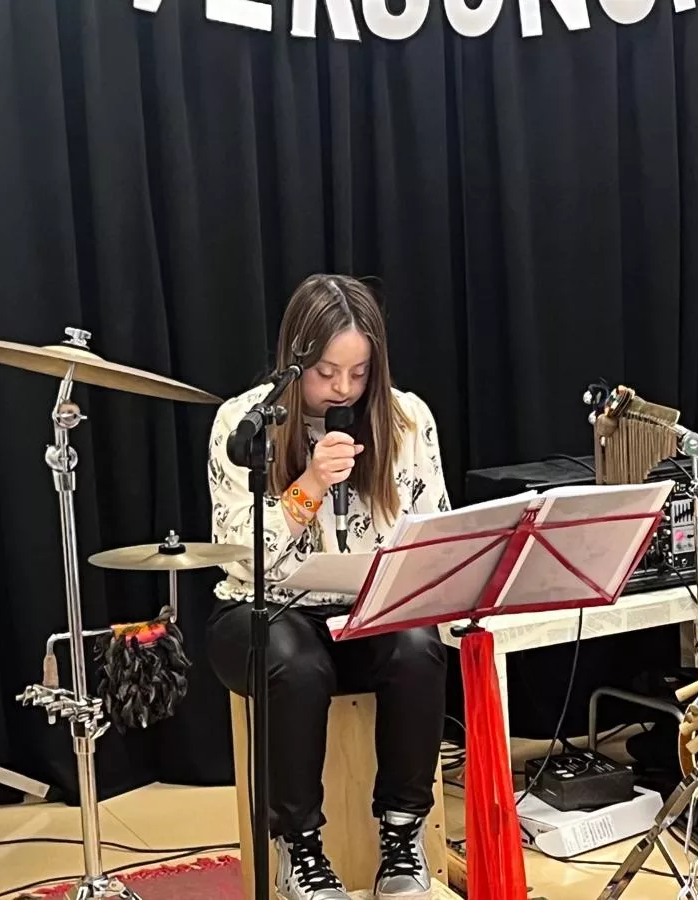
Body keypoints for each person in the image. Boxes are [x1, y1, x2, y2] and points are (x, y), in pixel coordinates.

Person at [206, 274, 450, 900]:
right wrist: (309, 486)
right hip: (264, 611)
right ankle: (300, 848)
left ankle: (402, 836)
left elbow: (436, 533)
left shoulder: (407, 418)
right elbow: (237, 551)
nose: (342, 389)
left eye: (359, 373)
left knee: (420, 643)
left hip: (367, 609)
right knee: (295, 659)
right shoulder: (244, 422)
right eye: (324, 372)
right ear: (294, 360)